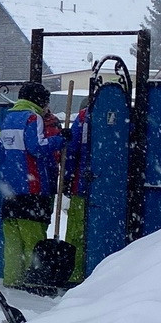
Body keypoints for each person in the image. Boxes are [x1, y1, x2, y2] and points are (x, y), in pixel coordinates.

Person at [0, 80, 65, 286]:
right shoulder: (33, 118)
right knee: (34, 239)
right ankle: (34, 280)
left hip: (9, 188)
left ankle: (12, 279)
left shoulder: (8, 117)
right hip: (31, 188)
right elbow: (36, 147)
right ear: (39, 100)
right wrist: (60, 140)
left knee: (12, 240)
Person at [63, 100, 92, 283]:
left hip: (80, 184)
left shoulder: (82, 117)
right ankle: (94, 270)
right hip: (110, 188)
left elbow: (71, 151)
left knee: (76, 232)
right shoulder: (122, 112)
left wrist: (67, 178)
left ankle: (74, 273)